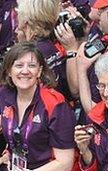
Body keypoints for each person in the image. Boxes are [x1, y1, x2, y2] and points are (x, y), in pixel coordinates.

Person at [0, 42, 76, 170]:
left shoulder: (55, 104)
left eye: (32, 66)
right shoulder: (4, 94)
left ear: (39, 71)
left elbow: (65, 163)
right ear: (9, 71)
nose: (25, 71)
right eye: (19, 65)